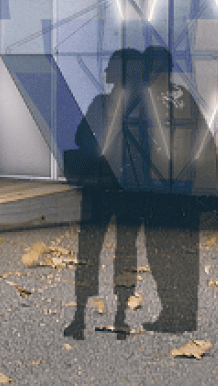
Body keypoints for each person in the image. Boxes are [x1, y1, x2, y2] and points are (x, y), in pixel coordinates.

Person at [64, 48, 144, 340]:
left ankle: (80, 317)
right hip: (128, 187)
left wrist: (100, 149)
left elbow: (80, 136)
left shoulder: (101, 103)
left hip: (99, 184)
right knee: (126, 249)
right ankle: (121, 316)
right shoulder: (140, 107)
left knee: (89, 249)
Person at [138, 44, 214, 334]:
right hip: (185, 187)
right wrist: (206, 185)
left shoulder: (143, 100)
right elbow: (204, 140)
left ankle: (172, 312)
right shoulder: (186, 98)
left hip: (157, 187)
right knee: (185, 254)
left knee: (160, 251)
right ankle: (186, 314)